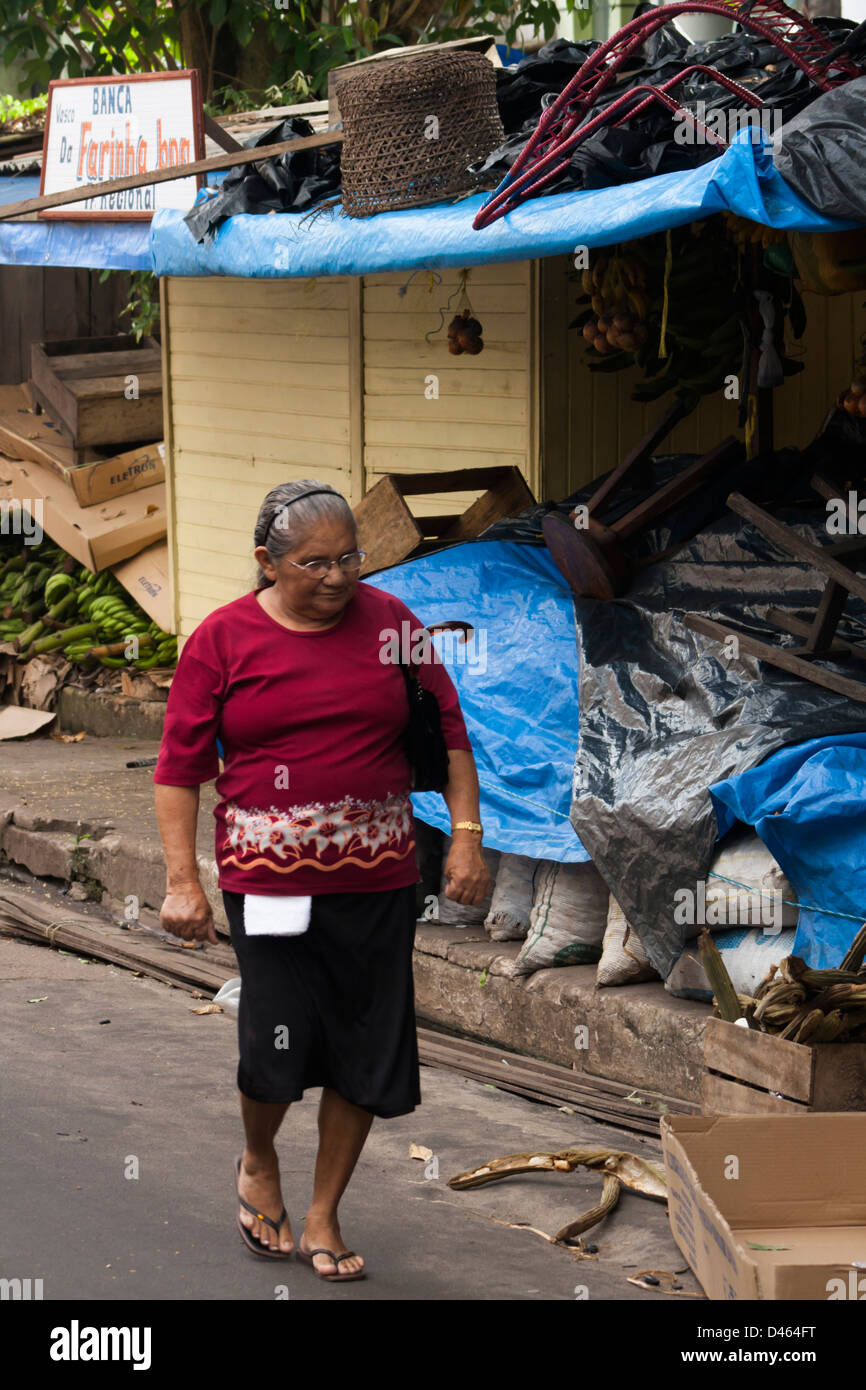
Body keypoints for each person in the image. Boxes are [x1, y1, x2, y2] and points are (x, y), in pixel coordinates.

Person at [153, 479, 490, 1282]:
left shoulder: (392, 624)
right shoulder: (223, 639)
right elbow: (179, 770)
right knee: (277, 1033)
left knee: (366, 1040)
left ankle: (324, 1210)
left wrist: (468, 837)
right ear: (268, 562)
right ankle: (260, 1157)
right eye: (316, 563)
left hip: (378, 878)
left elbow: (451, 735)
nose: (339, 577)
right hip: (267, 882)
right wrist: (180, 881)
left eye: (350, 559)